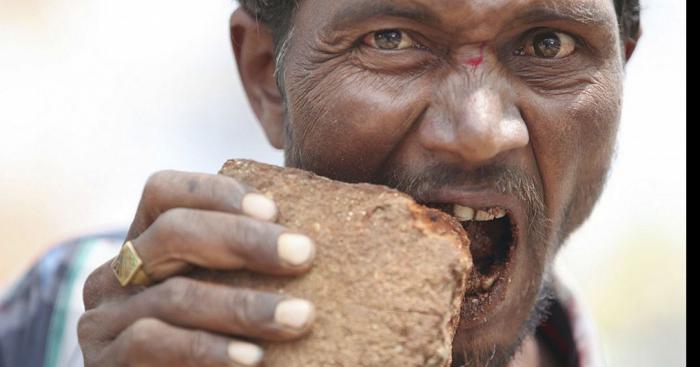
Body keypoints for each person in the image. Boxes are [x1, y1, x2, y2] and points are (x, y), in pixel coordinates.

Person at [0, 0, 642, 366]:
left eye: (549, 43)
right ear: (264, 78)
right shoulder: (57, 326)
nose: (478, 131)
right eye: (391, 39)